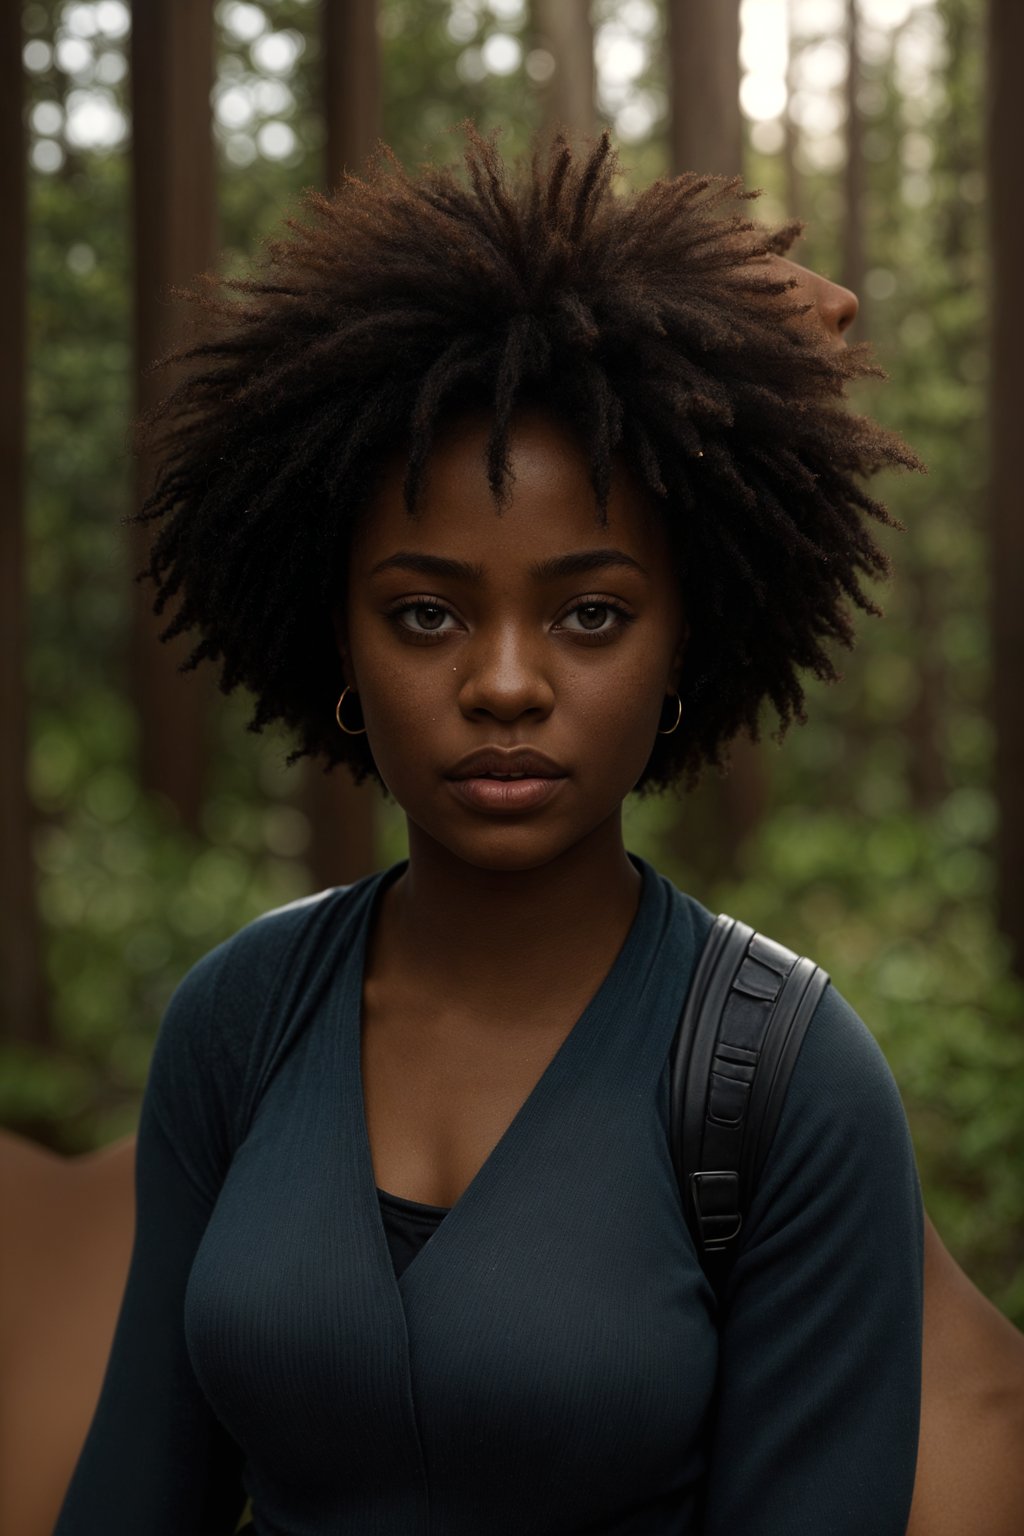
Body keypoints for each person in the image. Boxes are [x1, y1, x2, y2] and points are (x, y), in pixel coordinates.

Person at [54, 129, 925, 1535]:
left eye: (590, 613)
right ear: (328, 629)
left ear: (685, 641)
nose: (504, 684)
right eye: (425, 612)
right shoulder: (238, 1024)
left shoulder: (789, 1083)